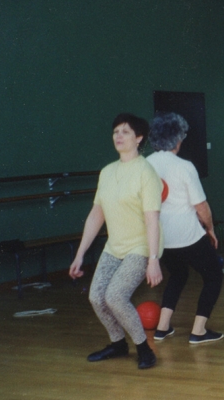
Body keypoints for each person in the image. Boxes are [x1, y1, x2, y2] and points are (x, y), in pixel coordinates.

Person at [69, 113, 162, 369]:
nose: (118, 136)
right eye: (115, 132)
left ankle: (144, 348)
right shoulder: (107, 172)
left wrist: (153, 260)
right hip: (115, 246)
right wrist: (79, 255)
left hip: (141, 247)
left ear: (139, 138)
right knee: (96, 297)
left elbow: (152, 219)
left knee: (115, 296)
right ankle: (118, 344)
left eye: (125, 132)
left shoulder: (146, 172)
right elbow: (96, 215)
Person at [146, 112, 224, 345]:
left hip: (160, 239)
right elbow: (201, 206)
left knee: (178, 274)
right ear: (178, 139)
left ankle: (161, 328)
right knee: (213, 276)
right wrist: (210, 229)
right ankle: (198, 331)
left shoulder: (145, 165)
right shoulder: (185, 166)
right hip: (187, 237)